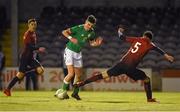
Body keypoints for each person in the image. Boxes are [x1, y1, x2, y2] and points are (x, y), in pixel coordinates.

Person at [75, 25, 174, 102]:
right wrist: (167, 55)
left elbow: (122, 37)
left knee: (103, 75)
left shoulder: (137, 39)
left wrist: (119, 30)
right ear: (150, 38)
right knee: (146, 79)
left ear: (144, 36)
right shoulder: (150, 44)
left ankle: (82, 83)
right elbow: (158, 50)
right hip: (131, 68)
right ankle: (149, 99)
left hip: (121, 64)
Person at [55, 15, 103, 100]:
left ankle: (75, 93)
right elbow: (64, 32)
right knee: (71, 74)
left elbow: (91, 43)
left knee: (79, 75)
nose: (89, 27)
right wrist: (70, 38)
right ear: (85, 22)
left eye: (91, 25)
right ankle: (63, 91)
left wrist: (96, 44)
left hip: (78, 53)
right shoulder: (78, 28)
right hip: (69, 51)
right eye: (88, 24)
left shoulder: (92, 32)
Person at [3, 18, 46, 96]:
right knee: (19, 74)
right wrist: (38, 48)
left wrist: (36, 49)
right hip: (25, 57)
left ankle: (24, 74)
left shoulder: (33, 33)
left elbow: (32, 46)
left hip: (31, 57)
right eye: (32, 24)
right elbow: (29, 46)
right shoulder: (27, 34)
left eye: (35, 24)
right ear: (28, 25)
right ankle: (7, 89)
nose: (34, 26)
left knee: (41, 70)